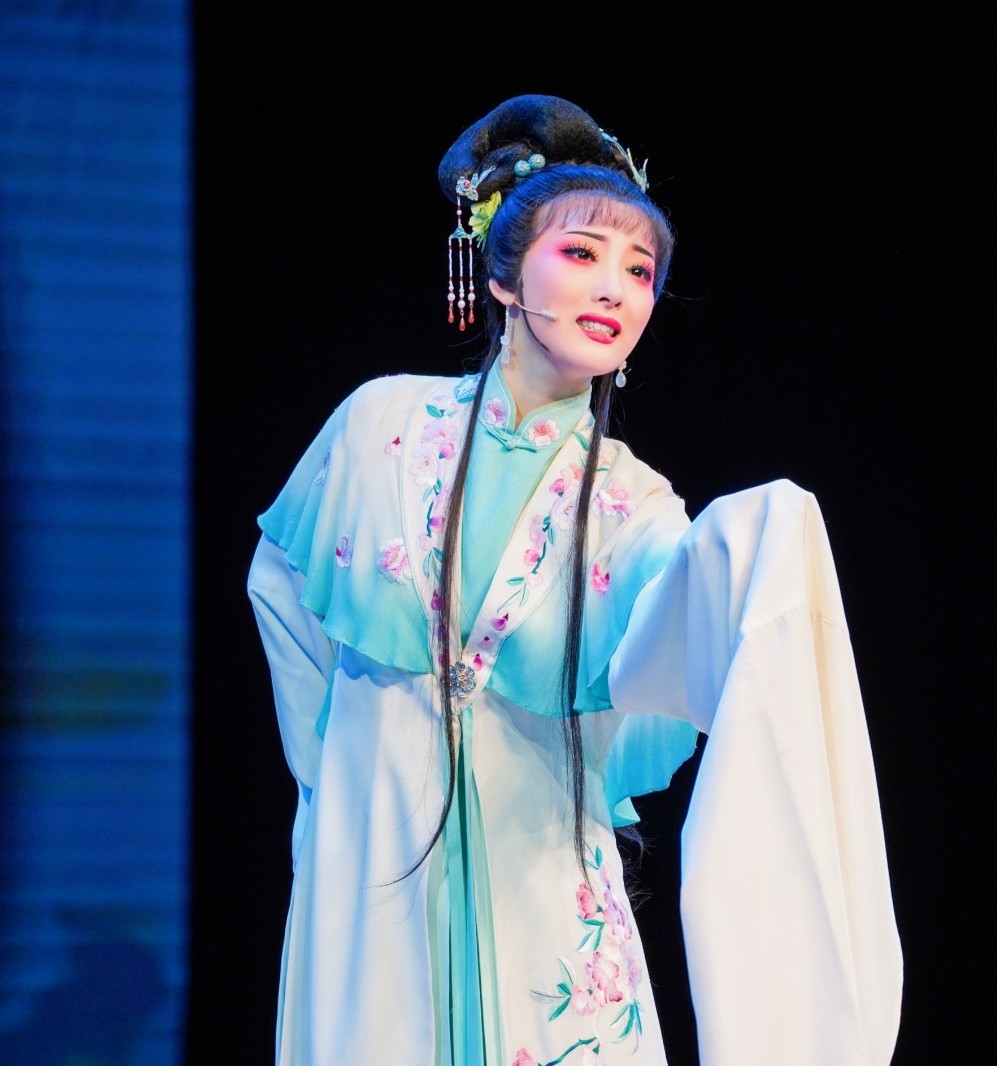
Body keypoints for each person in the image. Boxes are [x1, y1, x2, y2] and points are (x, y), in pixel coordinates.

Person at [246, 93, 901, 1066]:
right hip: (370, 863)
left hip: (545, 884)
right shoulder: (381, 424)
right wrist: (331, 788)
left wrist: (757, 546)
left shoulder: (636, 504)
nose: (616, 289)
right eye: (583, 252)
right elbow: (283, 595)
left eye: (640, 270)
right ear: (504, 277)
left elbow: (677, 625)